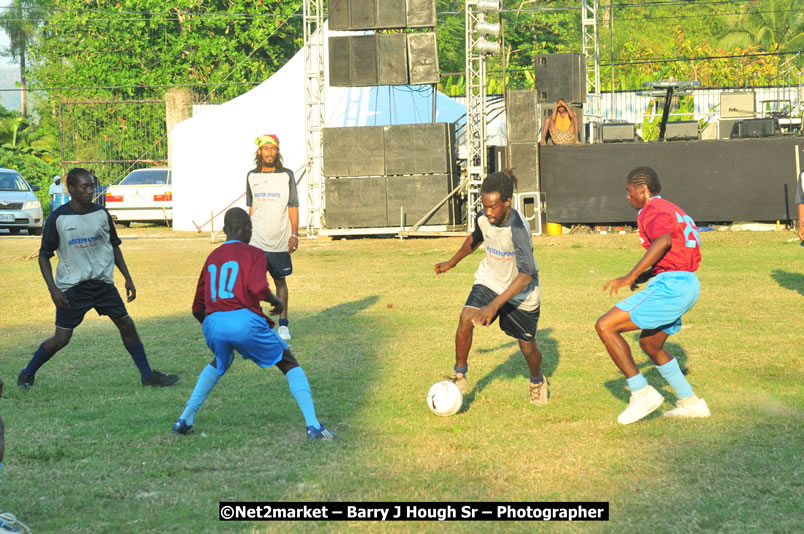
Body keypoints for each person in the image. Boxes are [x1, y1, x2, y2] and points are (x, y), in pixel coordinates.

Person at [172, 207, 335, 440]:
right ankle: (313, 426)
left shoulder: (212, 256)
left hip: (213, 322)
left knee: (221, 360)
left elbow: (197, 307)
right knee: (288, 361)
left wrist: (215, 326)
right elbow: (258, 288)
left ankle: (184, 419)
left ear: (224, 230)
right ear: (245, 229)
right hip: (244, 320)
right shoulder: (254, 253)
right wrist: (277, 301)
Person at [17, 168, 179, 389]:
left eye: (92, 186)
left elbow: (114, 247)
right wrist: (53, 290)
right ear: (71, 189)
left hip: (102, 285)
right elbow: (44, 256)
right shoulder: (58, 218)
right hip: (73, 288)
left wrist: (127, 277)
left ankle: (147, 375)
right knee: (61, 339)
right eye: (84, 187)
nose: (90, 191)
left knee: (126, 325)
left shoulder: (102, 213)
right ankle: (27, 373)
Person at [595, 166, 710, 425]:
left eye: (629, 190)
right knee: (651, 344)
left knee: (605, 326)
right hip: (688, 282)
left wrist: (632, 275)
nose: (627, 196)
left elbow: (664, 241)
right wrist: (649, 275)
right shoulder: (672, 208)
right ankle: (690, 402)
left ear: (642, 190)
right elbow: (676, 249)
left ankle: (641, 392)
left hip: (673, 286)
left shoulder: (652, 210)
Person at [434, 170, 548, 405]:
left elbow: (527, 274)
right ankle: (459, 375)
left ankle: (537, 381)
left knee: (528, 349)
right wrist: (451, 263)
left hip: (521, 292)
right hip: (491, 280)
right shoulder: (484, 217)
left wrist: (495, 306)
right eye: (485, 205)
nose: (488, 211)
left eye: (493, 207)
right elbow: (475, 239)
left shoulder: (518, 229)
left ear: (507, 202)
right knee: (466, 317)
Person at [246, 134, 299, 341]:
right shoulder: (251, 175)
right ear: (259, 152)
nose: (269, 153)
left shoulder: (287, 175)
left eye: (273, 149)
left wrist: (294, 233)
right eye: (265, 149)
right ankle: (258, 324)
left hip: (279, 240)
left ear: (277, 151)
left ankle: (283, 325)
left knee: (280, 283)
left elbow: (293, 206)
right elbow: (251, 208)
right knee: (253, 285)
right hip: (256, 241)